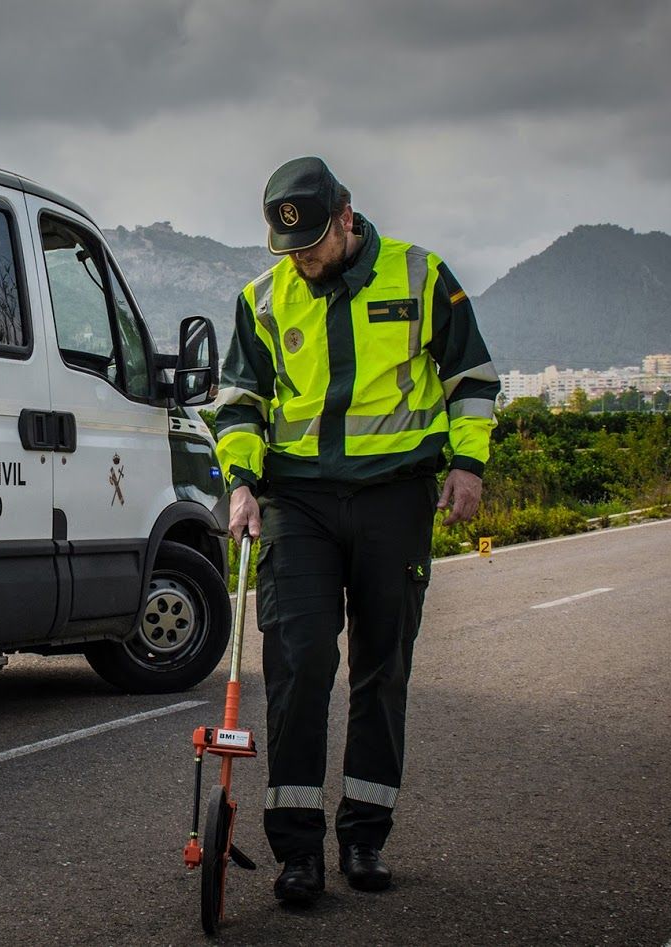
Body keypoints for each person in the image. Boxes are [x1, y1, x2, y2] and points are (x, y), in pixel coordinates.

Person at [209, 156, 499, 907]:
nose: (300, 261)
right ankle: (297, 851)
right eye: (287, 250)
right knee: (300, 662)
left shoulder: (422, 276)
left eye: (311, 246)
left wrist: (465, 465)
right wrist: (241, 479)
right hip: (296, 503)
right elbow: (238, 402)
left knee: (381, 666)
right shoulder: (261, 299)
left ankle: (364, 836)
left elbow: (471, 381)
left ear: (344, 215)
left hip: (393, 497)